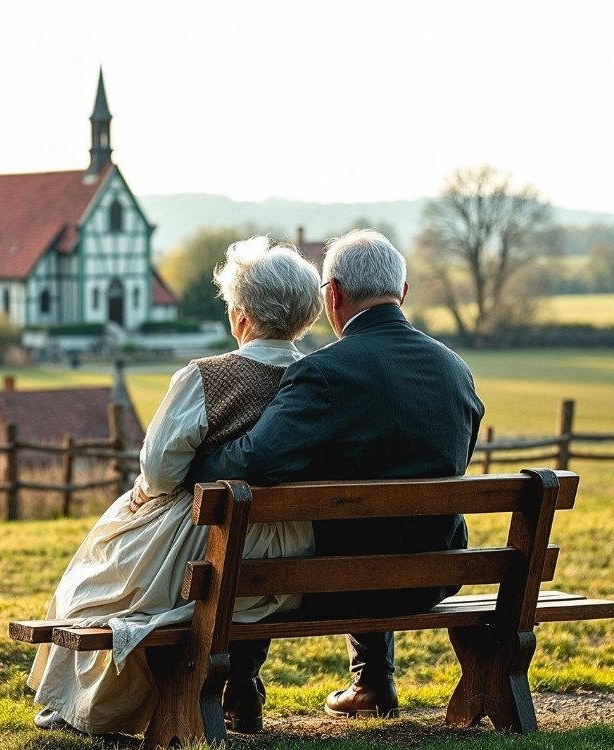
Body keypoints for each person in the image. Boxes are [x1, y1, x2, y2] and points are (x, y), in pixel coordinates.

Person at [28, 236, 324, 736]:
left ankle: (82, 705)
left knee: (100, 571)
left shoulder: (206, 377)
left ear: (242, 317)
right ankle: (241, 686)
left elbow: (161, 472)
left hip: (217, 542)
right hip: (295, 549)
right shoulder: (322, 378)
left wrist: (150, 491)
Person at [186, 228, 485, 722]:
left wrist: (197, 464)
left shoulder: (324, 372)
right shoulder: (455, 369)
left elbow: (258, 462)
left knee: (269, 533)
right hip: (436, 573)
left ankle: (238, 689)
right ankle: (372, 681)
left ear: (334, 295)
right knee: (377, 522)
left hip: (332, 581)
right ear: (402, 293)